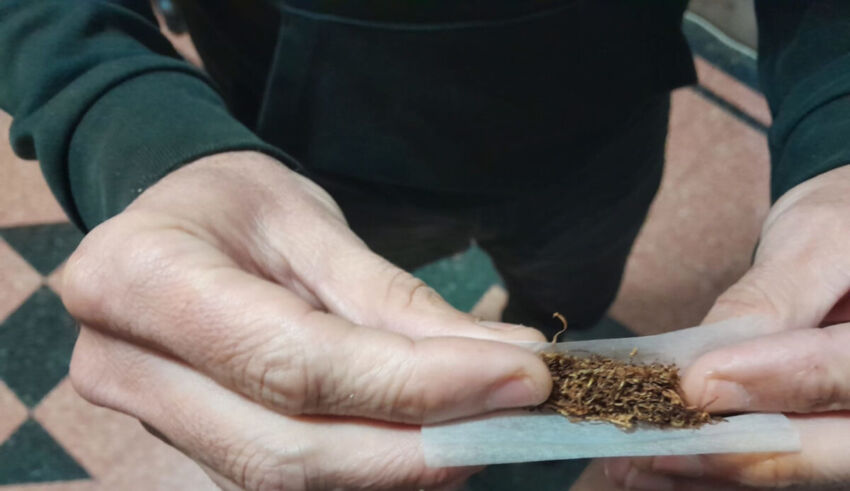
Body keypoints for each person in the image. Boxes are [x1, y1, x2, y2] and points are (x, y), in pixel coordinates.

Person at [2, 1, 850, 489]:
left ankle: (553, 315)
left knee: (567, 296)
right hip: (302, 165)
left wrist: (838, 137)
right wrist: (127, 120)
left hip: (597, 142)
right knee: (363, 351)